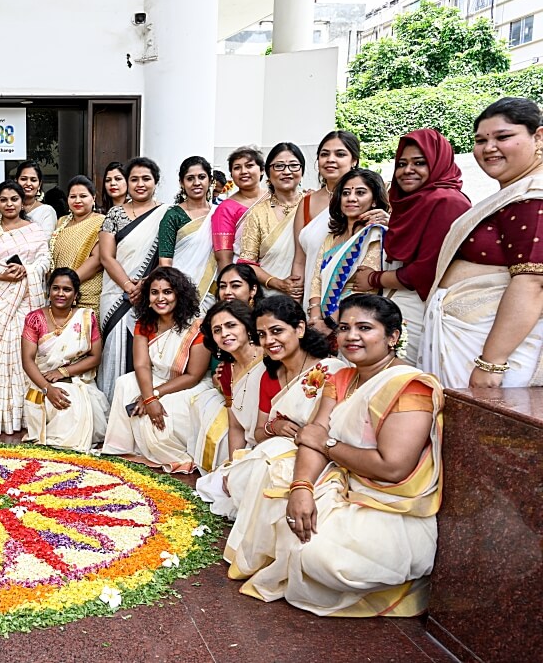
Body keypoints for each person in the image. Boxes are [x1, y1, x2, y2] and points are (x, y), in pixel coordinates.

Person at [227, 294, 442, 617]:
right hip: (344, 483)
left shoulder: (409, 387)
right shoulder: (342, 378)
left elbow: (393, 468)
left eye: (364, 327)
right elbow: (312, 437)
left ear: (393, 336)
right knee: (287, 514)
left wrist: (328, 446)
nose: (351, 335)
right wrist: (301, 488)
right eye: (344, 327)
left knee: (319, 558)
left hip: (388, 504)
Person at [423, 97, 543, 388]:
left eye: (503, 137)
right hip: (470, 339)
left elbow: (532, 283)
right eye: (480, 140)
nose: (489, 148)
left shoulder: (533, 195)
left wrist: (492, 362)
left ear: (538, 137)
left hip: (494, 352)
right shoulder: (511, 193)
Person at [213, 295, 345, 522]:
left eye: (277, 331)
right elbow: (258, 433)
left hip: (319, 458)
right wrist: (277, 426)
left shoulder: (330, 370)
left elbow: (334, 432)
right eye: (262, 335)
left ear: (300, 329)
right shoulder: (270, 376)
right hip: (277, 452)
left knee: (257, 475)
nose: (269, 340)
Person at [353, 129, 471, 364]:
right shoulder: (412, 203)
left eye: (419, 163)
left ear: (438, 163)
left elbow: (427, 271)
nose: (407, 170)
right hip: (398, 303)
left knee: (403, 379)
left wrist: (374, 279)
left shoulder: (446, 201)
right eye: (402, 163)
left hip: (421, 306)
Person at [102, 266, 211, 473]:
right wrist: (149, 397)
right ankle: (123, 448)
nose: (161, 298)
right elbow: (141, 365)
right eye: (154, 292)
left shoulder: (197, 327)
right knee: (124, 383)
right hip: (157, 379)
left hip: (188, 386)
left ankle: (174, 456)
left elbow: (193, 376)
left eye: (167, 292)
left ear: (179, 294)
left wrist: (153, 397)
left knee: (158, 422)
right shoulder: (145, 323)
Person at [0, 180, 50, 434]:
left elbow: (44, 261)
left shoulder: (34, 229)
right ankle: (1, 415)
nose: (9, 204)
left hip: (27, 299)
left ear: (22, 202)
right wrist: (2, 276)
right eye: (4, 199)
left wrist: (27, 270)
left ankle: (27, 415)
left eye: (14, 199)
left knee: (25, 351)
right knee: (0, 351)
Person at [98, 156, 168, 400]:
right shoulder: (115, 214)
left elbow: (167, 257)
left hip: (151, 294)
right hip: (116, 292)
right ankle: (111, 411)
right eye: (134, 179)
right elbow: (106, 257)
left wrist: (145, 285)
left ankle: (140, 405)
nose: (140, 184)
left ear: (156, 182)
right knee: (113, 351)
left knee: (144, 350)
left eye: (146, 179)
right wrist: (129, 286)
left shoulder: (166, 214)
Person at [21, 268, 109, 452]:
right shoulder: (34, 318)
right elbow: (28, 360)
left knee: (74, 401)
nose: (60, 293)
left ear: (76, 294)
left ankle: (65, 449)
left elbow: (95, 357)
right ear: (48, 292)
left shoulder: (86, 317)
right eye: (56, 288)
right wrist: (48, 388)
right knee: (62, 400)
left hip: (78, 378)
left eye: (67, 289)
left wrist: (63, 372)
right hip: (42, 380)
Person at [308, 168, 389, 330]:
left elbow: (365, 292)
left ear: (374, 200)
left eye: (360, 193)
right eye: (345, 193)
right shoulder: (332, 237)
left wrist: (329, 324)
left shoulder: (374, 234)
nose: (351, 198)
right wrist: (315, 317)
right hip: (320, 321)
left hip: (355, 322)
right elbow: (317, 280)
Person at [192, 300, 265, 474]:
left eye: (231, 325)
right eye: (217, 330)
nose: (224, 333)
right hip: (250, 442)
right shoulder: (226, 371)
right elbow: (236, 426)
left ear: (247, 327)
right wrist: (234, 463)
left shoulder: (270, 357)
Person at [289, 131, 362, 304]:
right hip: (311, 299)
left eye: (340, 154)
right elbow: (300, 260)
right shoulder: (307, 203)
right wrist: (297, 301)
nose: (330, 159)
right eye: (324, 154)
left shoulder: (366, 200)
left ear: (354, 161)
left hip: (352, 298)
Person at [239, 143, 308, 299]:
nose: (287, 171)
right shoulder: (257, 213)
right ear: (268, 173)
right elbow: (247, 263)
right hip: (269, 298)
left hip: (310, 294)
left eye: (293, 165)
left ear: (302, 171)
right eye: (279, 166)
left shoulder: (313, 205)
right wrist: (278, 283)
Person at [158, 156, 219, 315]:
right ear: (181, 183)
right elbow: (165, 261)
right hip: (179, 291)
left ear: (210, 180)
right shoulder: (173, 215)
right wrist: (174, 292)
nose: (196, 183)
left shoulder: (219, 213)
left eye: (201, 177)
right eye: (190, 178)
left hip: (211, 291)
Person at [50, 175, 105, 315]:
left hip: (87, 293)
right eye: (73, 196)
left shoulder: (101, 222)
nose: (77, 200)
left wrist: (68, 283)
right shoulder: (61, 222)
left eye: (83, 196)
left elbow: (98, 259)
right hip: (60, 295)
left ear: (93, 198)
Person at [213, 147, 268, 270]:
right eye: (237, 167)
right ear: (232, 174)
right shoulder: (225, 209)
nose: (243, 171)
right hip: (244, 276)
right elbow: (224, 258)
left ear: (262, 170)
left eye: (249, 166)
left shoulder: (275, 199)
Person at [15, 160, 57, 233]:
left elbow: (45, 240)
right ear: (16, 181)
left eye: (33, 180)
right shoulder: (8, 208)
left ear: (39, 185)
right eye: (23, 179)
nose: (28, 183)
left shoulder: (47, 211)